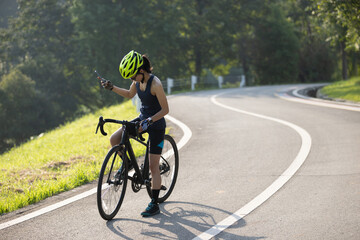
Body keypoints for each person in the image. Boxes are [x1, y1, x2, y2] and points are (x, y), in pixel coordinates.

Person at [101, 50, 169, 217]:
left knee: (153, 167)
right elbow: (129, 94)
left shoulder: (156, 84)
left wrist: (150, 121)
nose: (132, 80)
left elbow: (166, 110)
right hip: (142, 119)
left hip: (156, 125)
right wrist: (112, 88)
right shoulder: (137, 82)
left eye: (133, 76)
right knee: (115, 139)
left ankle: (154, 203)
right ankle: (129, 164)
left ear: (141, 70)